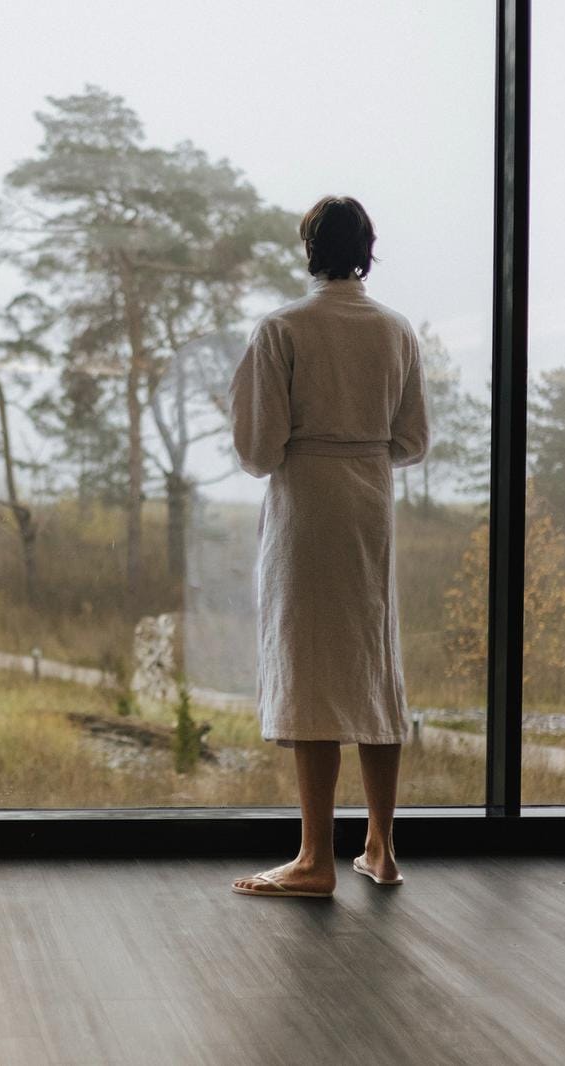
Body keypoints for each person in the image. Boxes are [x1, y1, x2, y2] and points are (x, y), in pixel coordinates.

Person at [226, 195, 428, 898]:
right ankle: (381, 848)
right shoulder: (396, 330)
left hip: (306, 506)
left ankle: (315, 858)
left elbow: (257, 451)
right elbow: (413, 441)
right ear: (368, 249)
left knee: (311, 666)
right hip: (370, 503)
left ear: (308, 249)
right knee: (374, 665)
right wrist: (360, 447)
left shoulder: (283, 327)